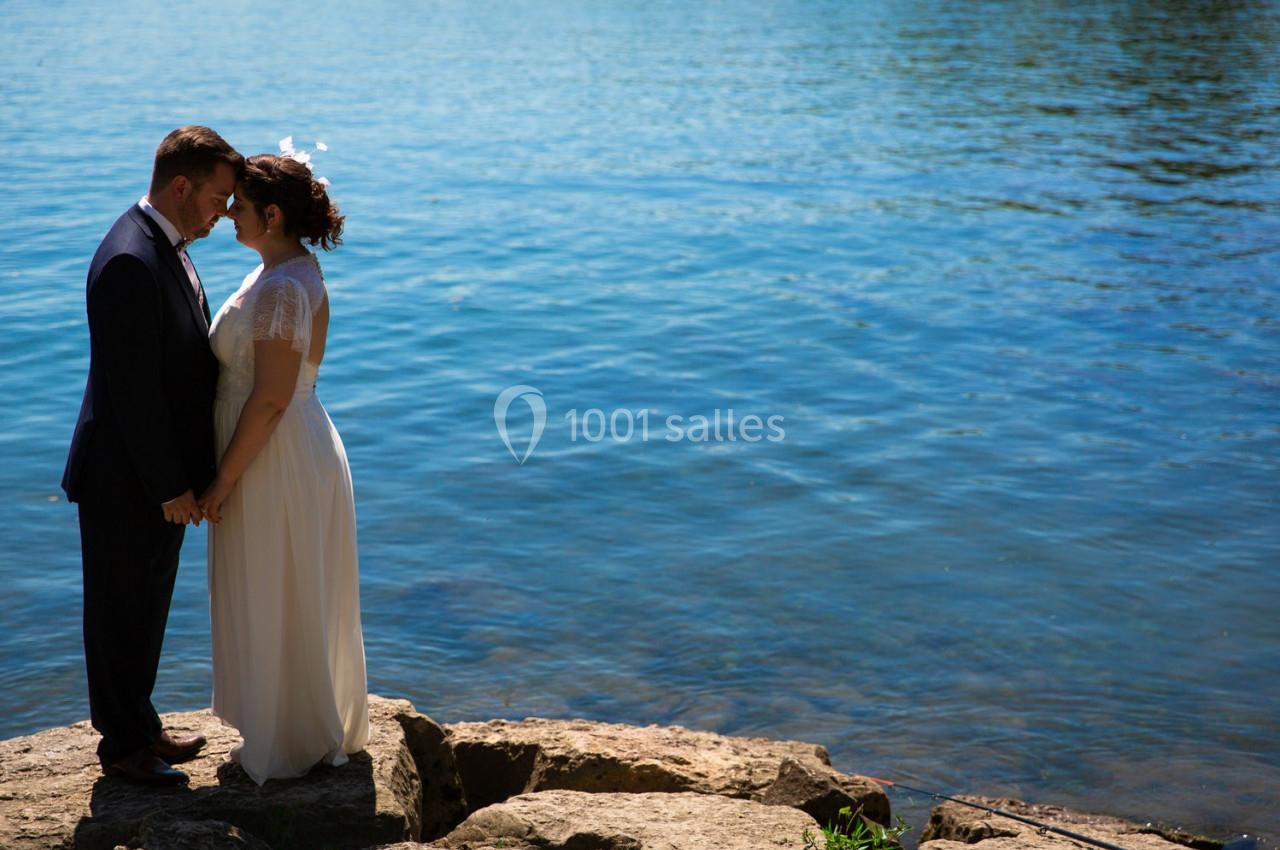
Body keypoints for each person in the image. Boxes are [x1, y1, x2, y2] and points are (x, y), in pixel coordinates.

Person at [62, 126, 242, 785]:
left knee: (147, 604)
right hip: (124, 475)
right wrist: (171, 484)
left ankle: (141, 724)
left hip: (149, 473)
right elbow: (131, 391)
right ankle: (124, 752)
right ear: (180, 186)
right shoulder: (130, 261)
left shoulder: (165, 244)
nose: (225, 210)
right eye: (219, 197)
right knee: (118, 610)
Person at [199, 150, 370, 785]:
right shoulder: (288, 268)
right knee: (289, 583)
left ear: (271, 214)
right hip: (288, 446)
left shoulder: (279, 288)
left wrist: (221, 480)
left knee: (279, 581)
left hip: (275, 453)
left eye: (238, 207)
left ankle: (288, 741)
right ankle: (294, 720)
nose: (228, 216)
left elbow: (270, 398)